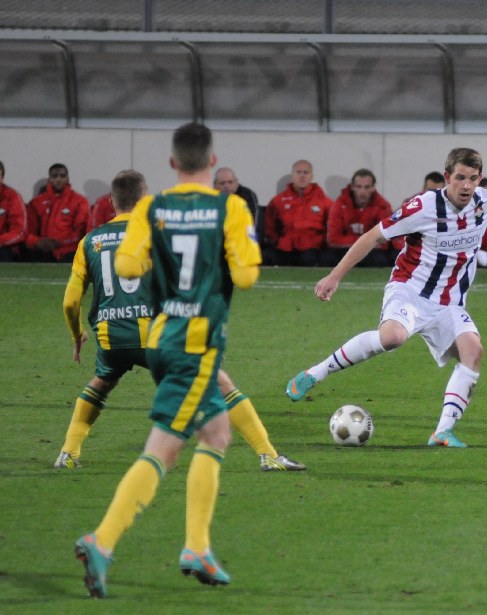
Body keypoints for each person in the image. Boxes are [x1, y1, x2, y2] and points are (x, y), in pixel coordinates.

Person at [74, 122, 262, 598]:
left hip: (161, 334)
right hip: (194, 344)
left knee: (216, 433)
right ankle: (103, 540)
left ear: (173, 164)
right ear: (213, 162)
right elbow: (245, 277)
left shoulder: (152, 208)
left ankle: (197, 546)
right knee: (163, 449)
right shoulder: (231, 207)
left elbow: (128, 266)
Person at [56, 170, 304, 474]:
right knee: (220, 383)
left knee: (102, 382)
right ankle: (268, 455)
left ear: (111, 201)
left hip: (112, 337)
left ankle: (68, 452)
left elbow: (70, 301)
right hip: (158, 335)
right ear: (146, 199)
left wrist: (76, 333)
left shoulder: (89, 241)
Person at [285, 148, 487, 448]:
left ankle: (442, 432)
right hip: (410, 290)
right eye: (460, 178)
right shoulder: (422, 206)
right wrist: (335, 275)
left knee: (473, 350)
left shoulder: (483, 201)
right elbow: (373, 236)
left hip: (448, 303)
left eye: (473, 179)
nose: (466, 185)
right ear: (447, 177)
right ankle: (314, 373)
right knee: (392, 338)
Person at [263, 159, 332, 266]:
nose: (302, 176)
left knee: (311, 259)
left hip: (313, 248)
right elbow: (270, 226)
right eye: (298, 172)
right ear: (292, 176)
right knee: (264, 257)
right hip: (284, 247)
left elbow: (331, 228)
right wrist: (277, 241)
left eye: (306, 173)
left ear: (311, 176)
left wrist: (321, 243)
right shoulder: (278, 201)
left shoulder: (325, 202)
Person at [325, 168, 393, 267]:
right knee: (327, 258)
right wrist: (365, 241)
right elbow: (333, 239)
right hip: (345, 250)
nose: (362, 191)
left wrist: (358, 242)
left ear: (373, 188)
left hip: (371, 252)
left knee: (381, 259)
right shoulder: (339, 205)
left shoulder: (383, 206)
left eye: (366, 187)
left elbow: (383, 241)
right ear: (352, 187)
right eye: (359, 187)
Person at [24, 163, 89, 262]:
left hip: (69, 249)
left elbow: (81, 232)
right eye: (54, 176)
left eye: (62, 176)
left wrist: (60, 242)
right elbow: (28, 230)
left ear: (67, 178)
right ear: (49, 179)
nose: (58, 179)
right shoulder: (36, 202)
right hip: (43, 248)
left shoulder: (79, 201)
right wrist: (37, 242)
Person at [0, 161, 27, 262]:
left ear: (2, 178)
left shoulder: (12, 197)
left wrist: (1, 241)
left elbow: (20, 231)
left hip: (4, 246)